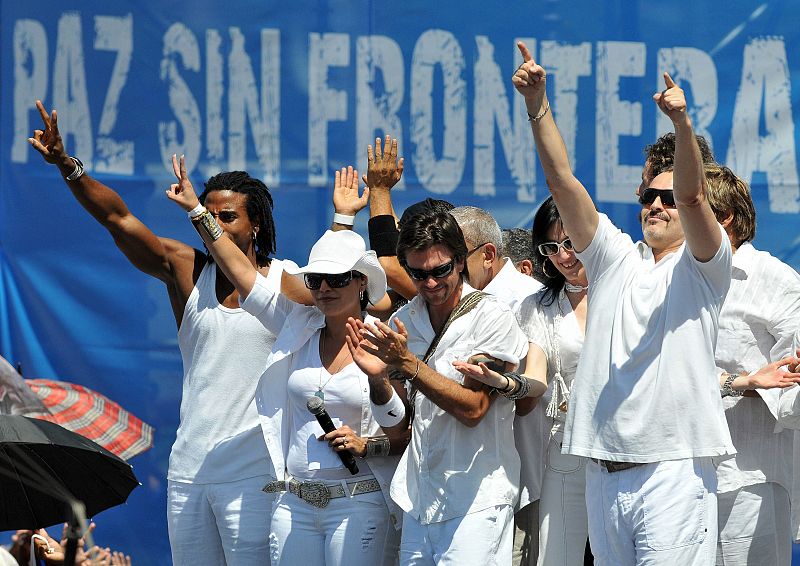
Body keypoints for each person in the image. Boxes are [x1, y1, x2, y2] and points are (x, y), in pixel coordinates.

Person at [27, 101, 309, 565]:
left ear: (256, 223)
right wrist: (68, 167)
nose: (214, 224)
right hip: (190, 470)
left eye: (229, 216)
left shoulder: (286, 280)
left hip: (256, 474)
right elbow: (118, 220)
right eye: (208, 214)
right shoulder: (186, 269)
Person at [513, 41, 734, 564]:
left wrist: (682, 126)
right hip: (601, 470)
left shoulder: (705, 265)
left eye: (665, 199)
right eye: (647, 199)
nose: (656, 205)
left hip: (673, 470)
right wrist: (537, 103)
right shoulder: (613, 257)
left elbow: (692, 197)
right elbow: (561, 180)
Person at [165, 155, 405, 566]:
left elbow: (401, 431)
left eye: (339, 279)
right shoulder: (297, 324)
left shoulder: (385, 335)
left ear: (362, 281)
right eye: (316, 279)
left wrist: (379, 389)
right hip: (294, 504)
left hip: (358, 502)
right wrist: (199, 213)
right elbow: (241, 271)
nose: (325, 287)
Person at [349, 208, 529, 565]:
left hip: (476, 500)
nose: (430, 283)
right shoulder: (402, 322)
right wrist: (377, 380)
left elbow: (474, 409)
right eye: (418, 274)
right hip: (418, 498)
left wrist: (407, 364)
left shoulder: (492, 316)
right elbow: (397, 425)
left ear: (461, 262)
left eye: (440, 270)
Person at [456, 196, 591, 565]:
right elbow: (533, 378)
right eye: (552, 247)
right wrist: (506, 383)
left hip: (628, 452)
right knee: (557, 556)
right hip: (564, 450)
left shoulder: (628, 290)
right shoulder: (537, 305)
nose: (564, 256)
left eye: (571, 243)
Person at [697, 165, 800, 565]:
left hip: (748, 476)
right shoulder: (672, 278)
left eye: (686, 207)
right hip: (676, 475)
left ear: (725, 218)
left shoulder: (774, 280)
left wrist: (751, 383)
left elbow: (792, 393)